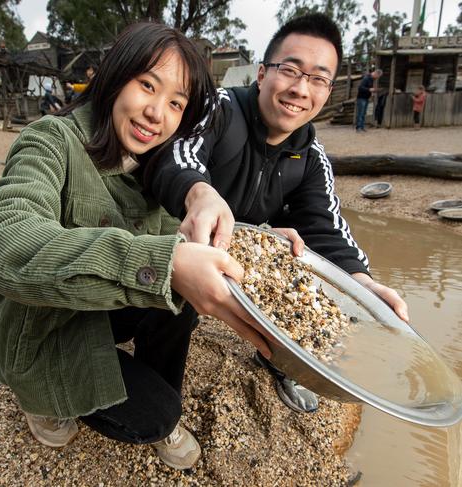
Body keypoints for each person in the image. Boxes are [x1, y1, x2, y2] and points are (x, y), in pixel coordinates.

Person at [0, 22, 268, 471]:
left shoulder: (161, 167)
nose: (156, 113)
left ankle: (162, 392)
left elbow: (191, 243)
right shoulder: (50, 141)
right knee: (152, 416)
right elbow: (0, 239)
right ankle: (41, 398)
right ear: (114, 76)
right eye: (147, 85)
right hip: (40, 323)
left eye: (175, 103)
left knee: (181, 290)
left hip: (101, 302)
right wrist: (162, 265)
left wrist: (265, 241)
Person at [149, 14, 409, 414]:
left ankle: (281, 361)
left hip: (247, 246)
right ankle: (159, 394)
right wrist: (200, 194)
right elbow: (178, 154)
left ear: (327, 90)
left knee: (299, 263)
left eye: (318, 79)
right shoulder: (220, 108)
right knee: (177, 274)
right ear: (261, 73)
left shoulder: (311, 157)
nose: (300, 89)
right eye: (290, 70)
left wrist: (363, 286)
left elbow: (327, 227)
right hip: (187, 231)